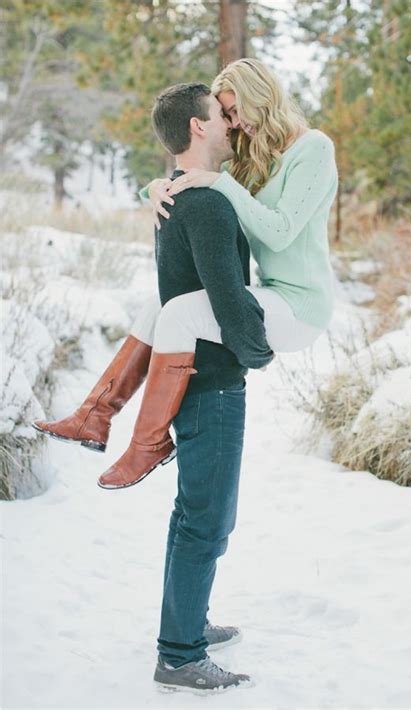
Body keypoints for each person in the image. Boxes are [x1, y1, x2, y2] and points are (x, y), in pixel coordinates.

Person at [38, 81, 274, 693]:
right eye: (220, 118)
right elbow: (228, 299)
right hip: (212, 382)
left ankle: (185, 623)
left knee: (192, 515)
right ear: (197, 128)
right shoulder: (206, 204)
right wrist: (259, 352)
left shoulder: (172, 197)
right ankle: (179, 655)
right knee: (207, 520)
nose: (229, 125)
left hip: (189, 375)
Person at [33, 57, 338, 491]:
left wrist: (220, 183)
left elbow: (281, 232)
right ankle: (94, 415)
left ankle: (148, 443)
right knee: (161, 304)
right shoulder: (250, 161)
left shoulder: (313, 148)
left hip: (301, 306)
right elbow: (196, 176)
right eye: (225, 115)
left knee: (179, 315)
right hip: (269, 294)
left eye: (235, 111)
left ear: (261, 97)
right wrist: (155, 187)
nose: (233, 123)